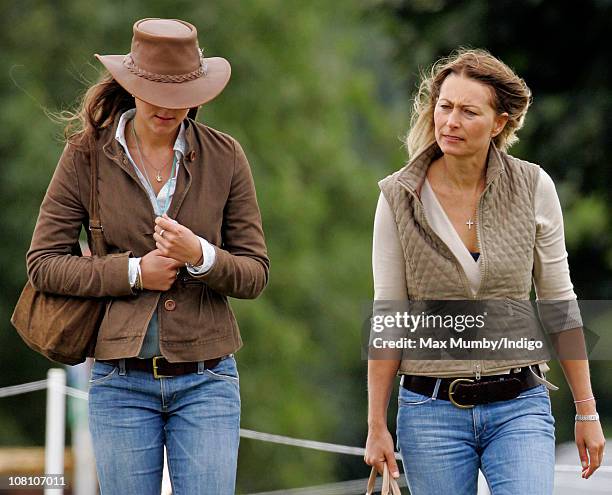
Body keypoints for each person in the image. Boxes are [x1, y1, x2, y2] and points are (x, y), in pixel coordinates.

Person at [26, 18, 269, 494]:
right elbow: (43, 264)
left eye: (179, 96)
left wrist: (199, 254)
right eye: (154, 92)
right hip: (120, 379)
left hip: (209, 379)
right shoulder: (84, 156)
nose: (167, 107)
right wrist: (135, 272)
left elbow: (255, 273)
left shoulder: (226, 156)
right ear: (130, 85)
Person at [364, 49, 605, 494]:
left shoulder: (534, 186)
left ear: (499, 123)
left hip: (520, 405)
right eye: (445, 106)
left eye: (468, 111)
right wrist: (376, 424)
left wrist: (586, 410)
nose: (451, 121)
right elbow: (389, 317)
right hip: (429, 411)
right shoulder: (396, 197)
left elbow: (559, 304)